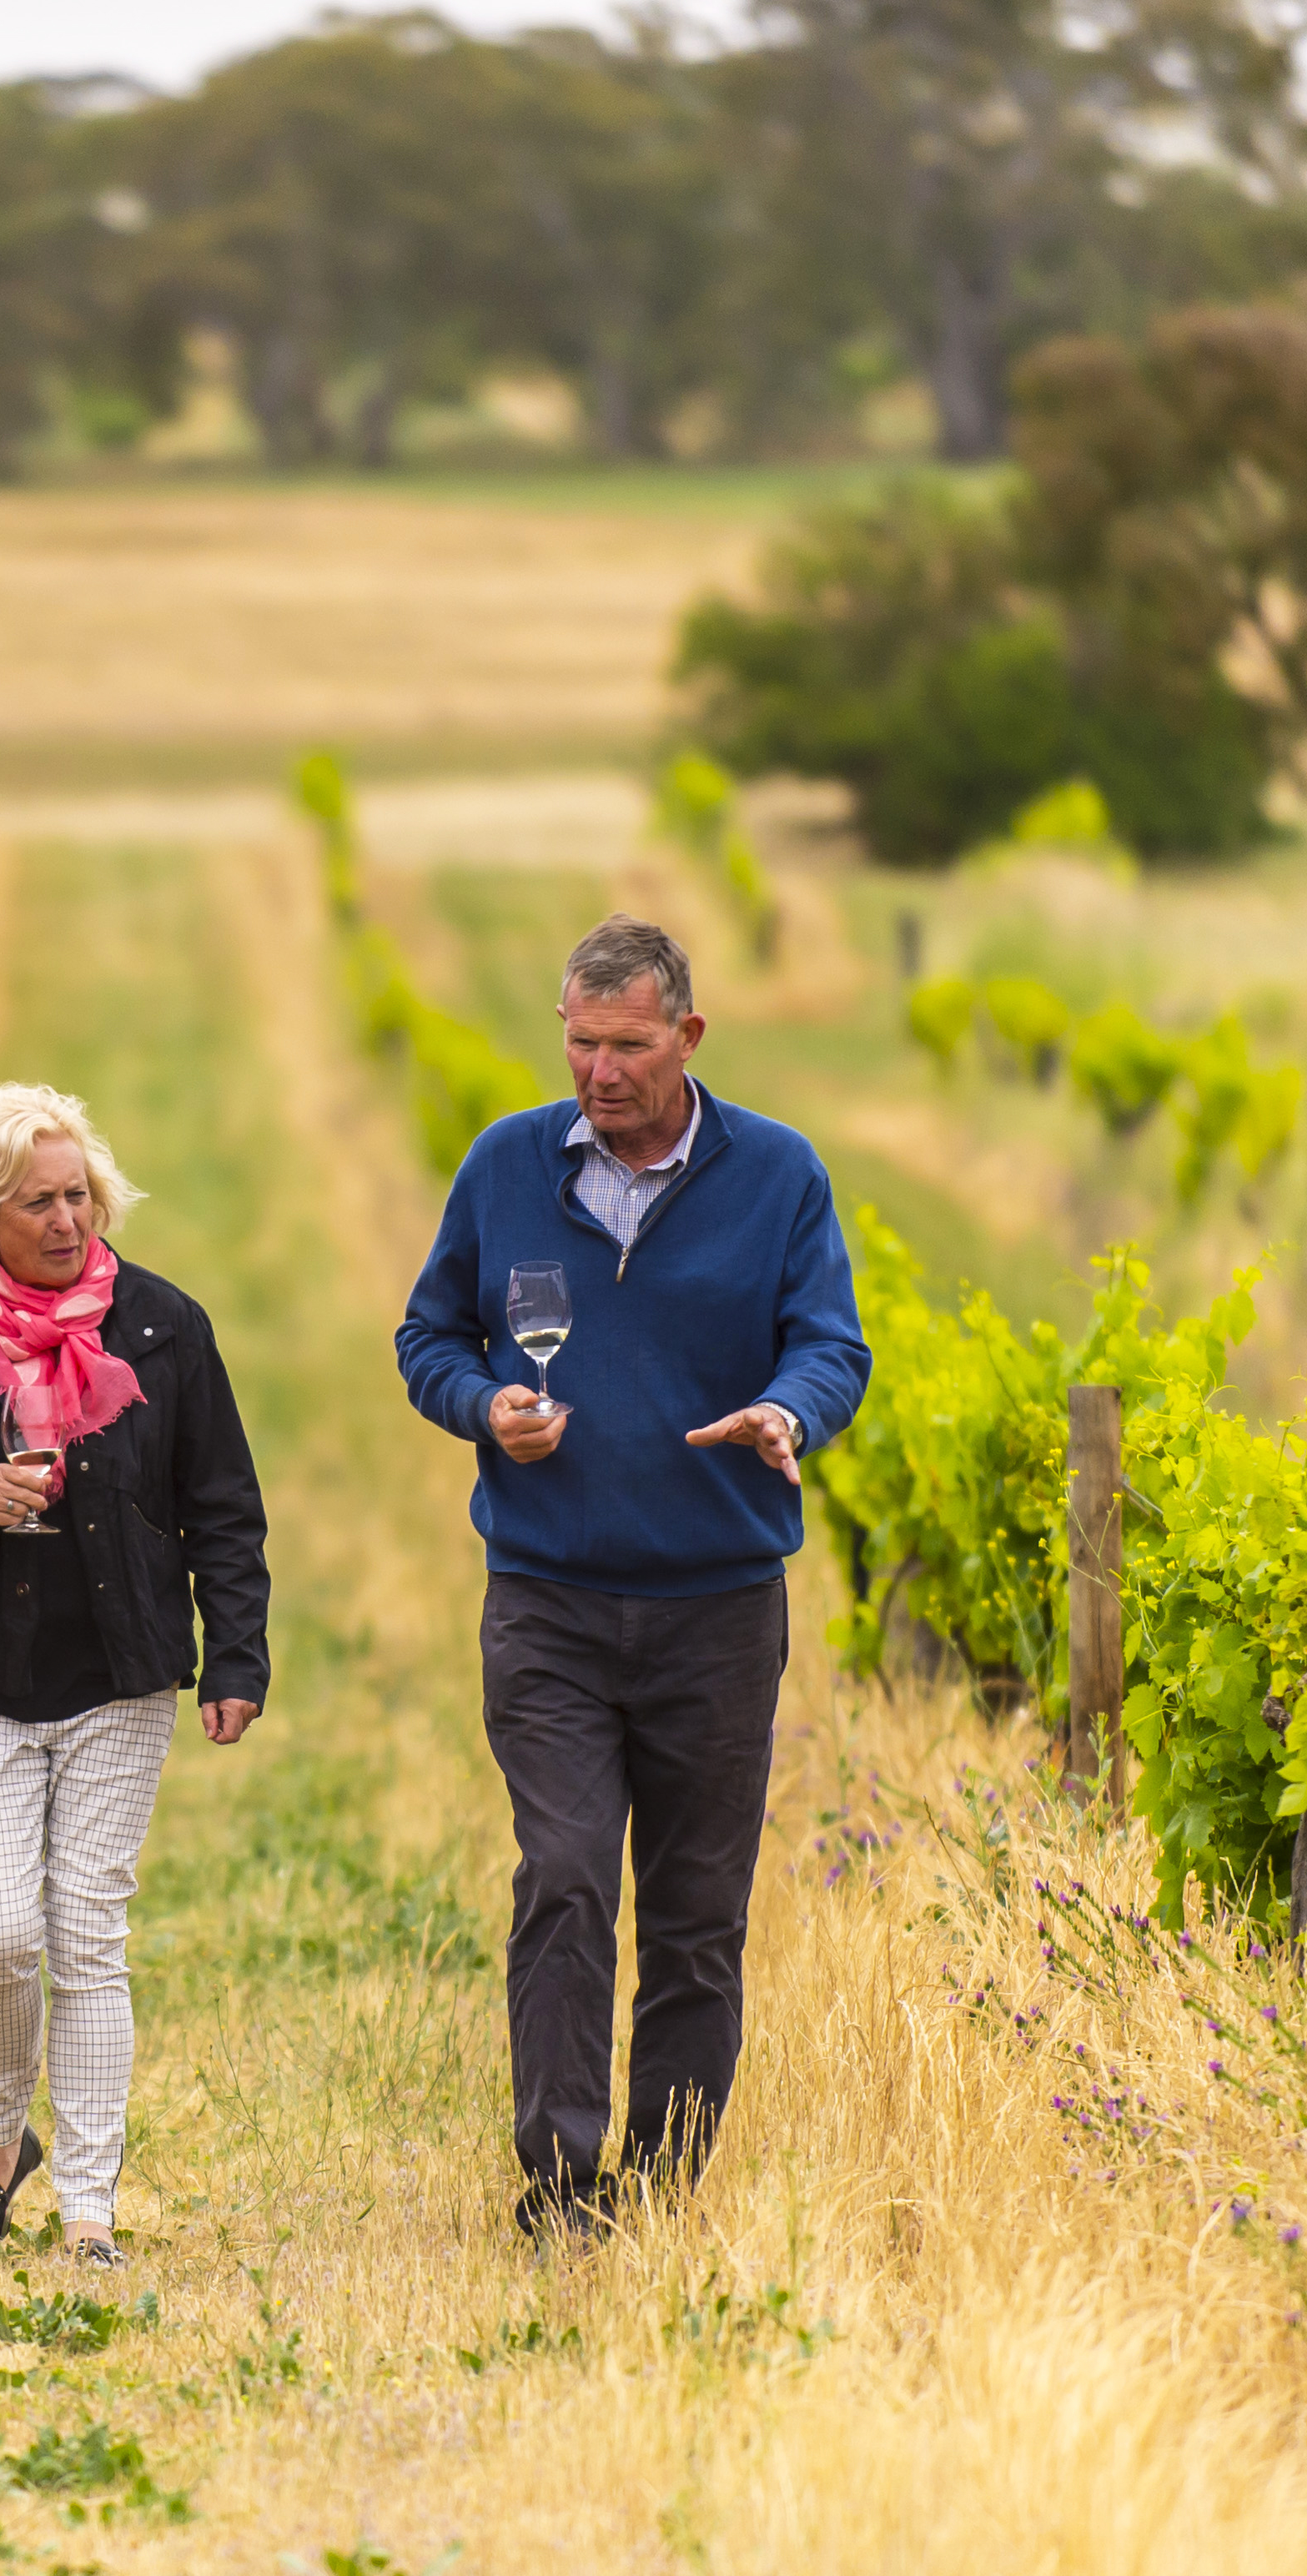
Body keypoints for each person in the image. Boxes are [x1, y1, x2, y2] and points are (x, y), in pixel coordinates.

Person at [390, 915, 868, 2237]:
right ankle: (557, 2184)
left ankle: (658, 2194)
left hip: (718, 1611)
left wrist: (789, 1412)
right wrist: (487, 1405)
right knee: (564, 1875)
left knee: (699, 1915)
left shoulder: (779, 1176)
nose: (600, 1072)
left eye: (629, 1046)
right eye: (581, 1043)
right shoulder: (503, 1168)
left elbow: (832, 1345)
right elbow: (429, 1334)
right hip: (546, 1600)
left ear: (689, 1039)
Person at [0, 1084, 269, 2267]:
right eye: (39, 1201)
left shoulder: (165, 1329)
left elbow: (225, 1509)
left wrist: (236, 1654)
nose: (69, 1220)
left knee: (86, 1936)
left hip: (121, 1676)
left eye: (80, 1194)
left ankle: (88, 2207)